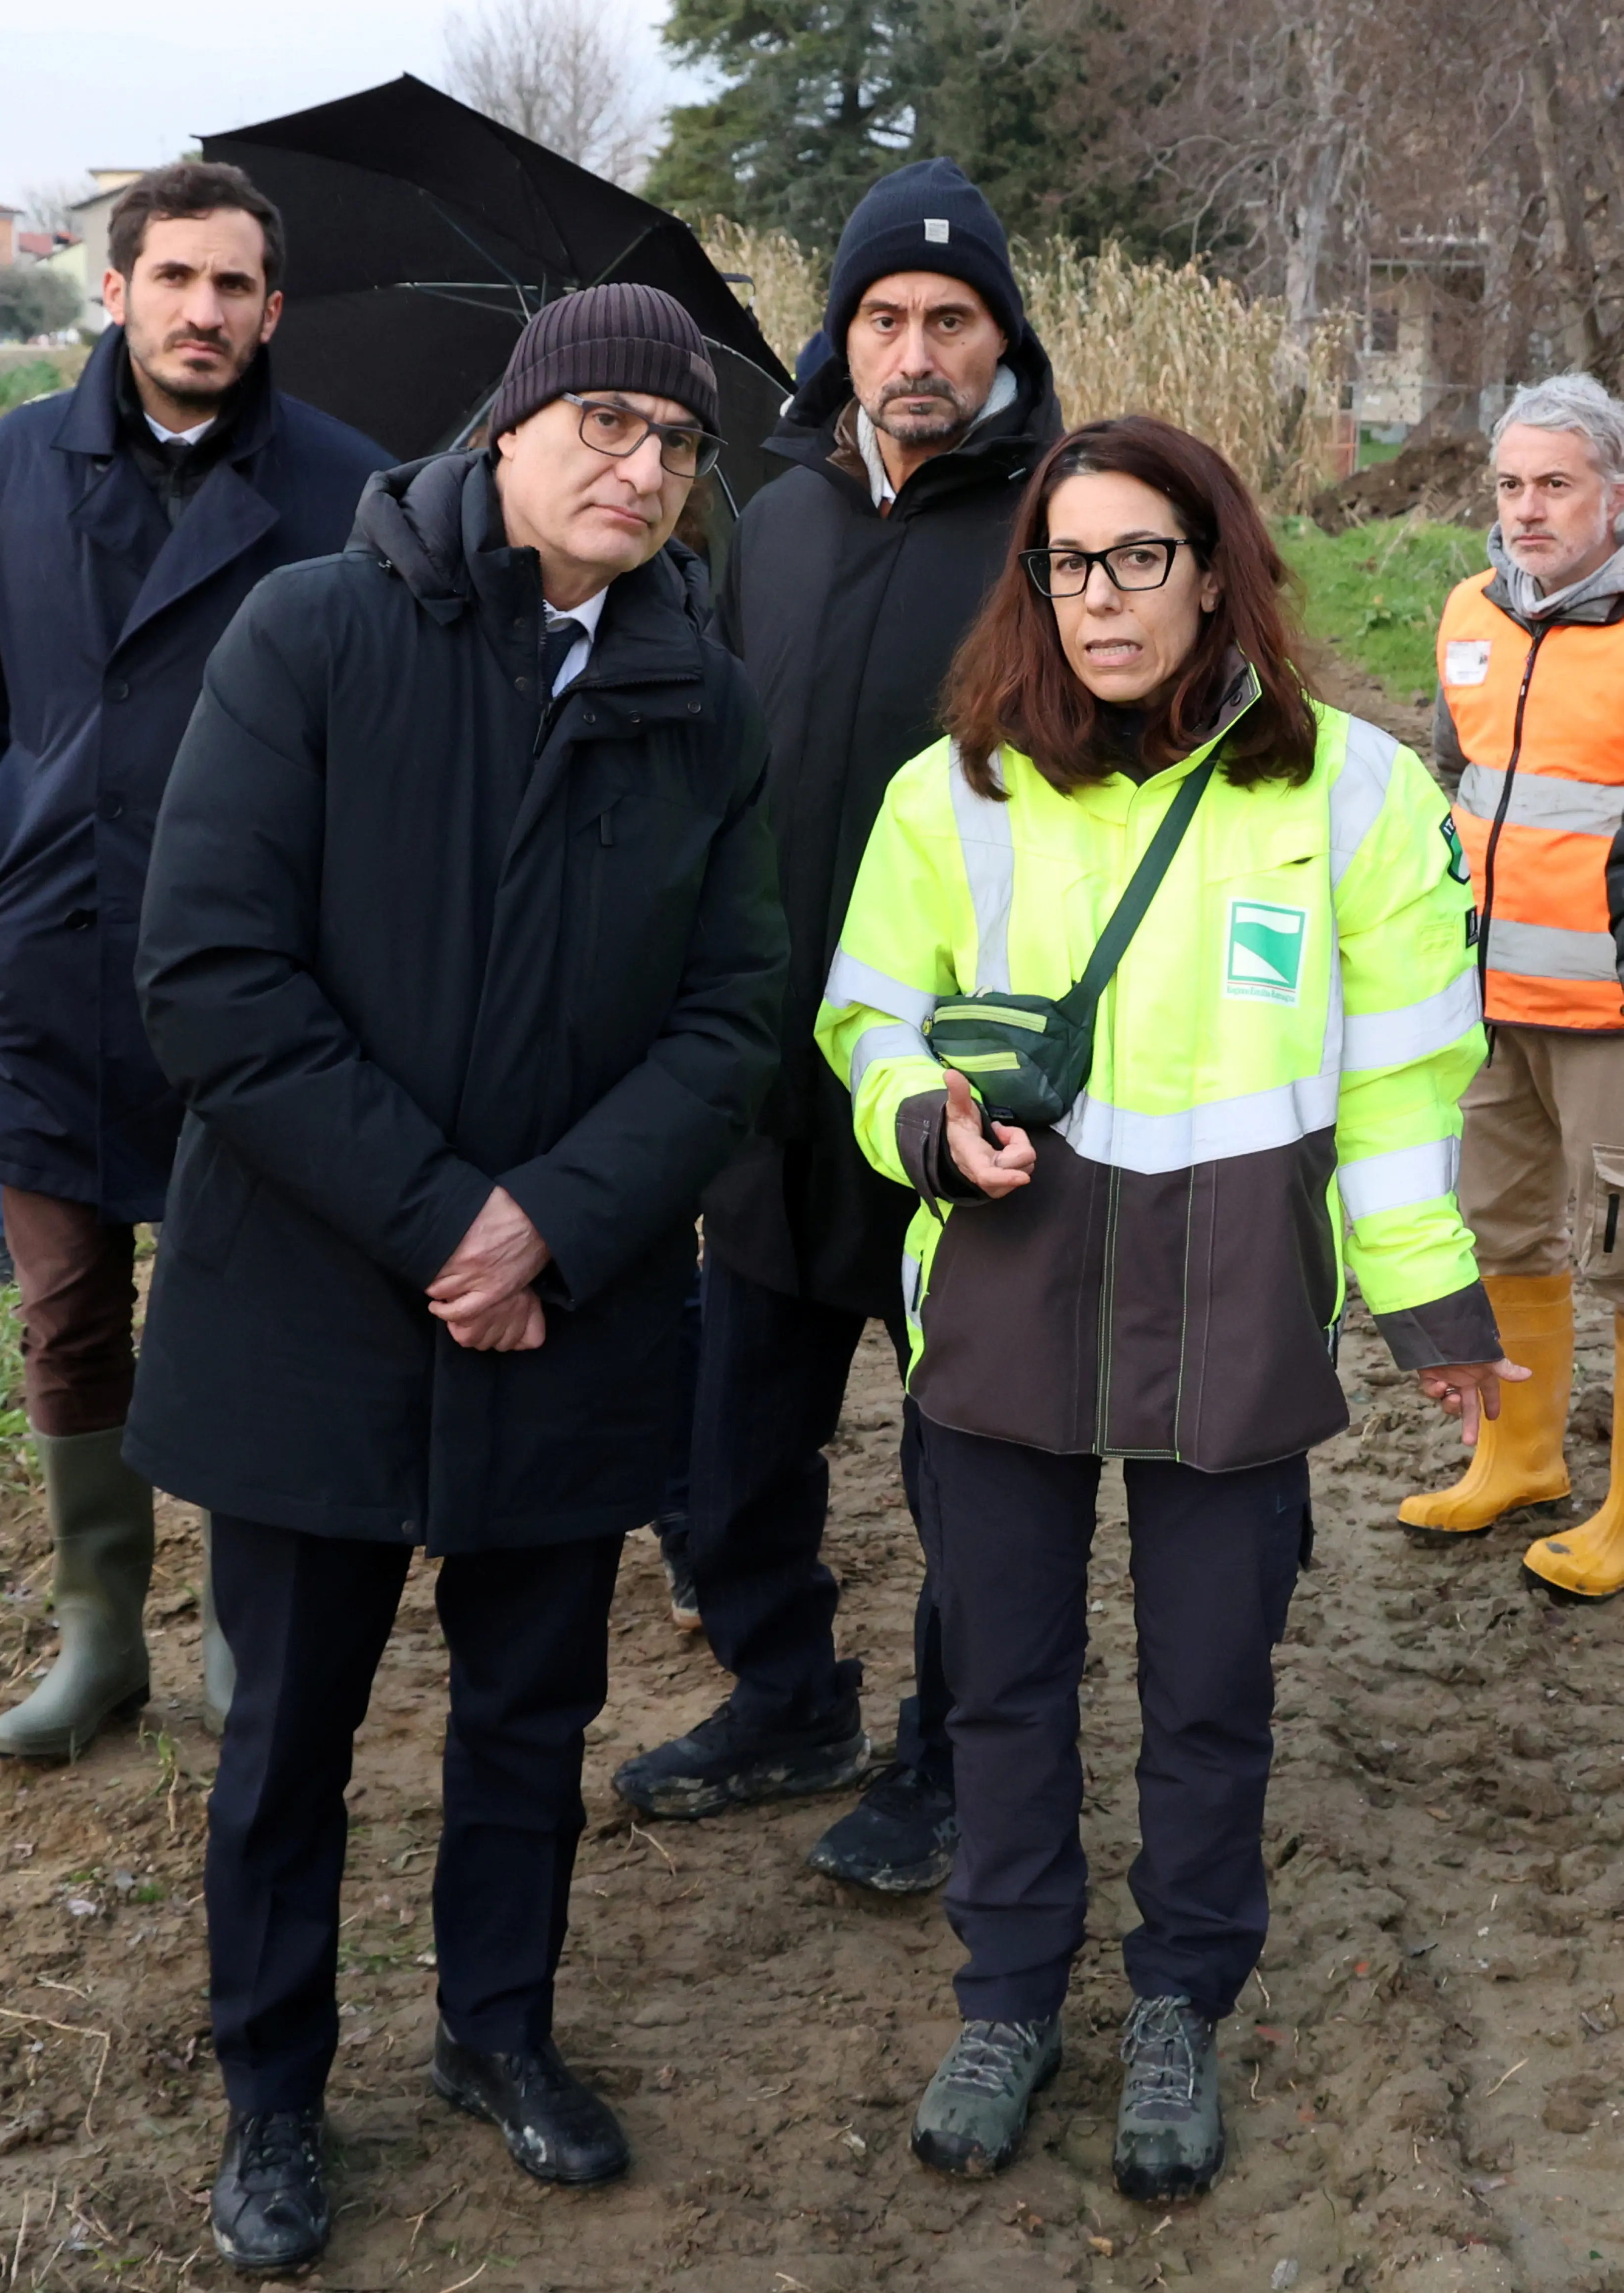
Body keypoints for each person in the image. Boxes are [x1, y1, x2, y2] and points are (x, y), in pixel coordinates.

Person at [124, 285, 786, 2270]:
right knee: (289, 1732)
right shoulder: (315, 636)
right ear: (506, 431)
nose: (641, 467)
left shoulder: (702, 702)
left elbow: (734, 1016)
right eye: (602, 422)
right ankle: (271, 2095)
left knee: (530, 1705)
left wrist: (558, 1225)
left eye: (676, 447)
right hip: (322, 1295)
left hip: (567, 1315)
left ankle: (497, 2032)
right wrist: (446, 1225)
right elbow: (213, 980)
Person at [816, 416, 1512, 2199]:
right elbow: (864, 1019)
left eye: (1140, 557)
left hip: (1237, 1305)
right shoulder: (949, 791)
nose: (1102, 597)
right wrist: (921, 1120)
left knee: (1210, 1688)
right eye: (1068, 563)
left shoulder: (1358, 794)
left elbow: (1407, 1086)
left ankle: (1179, 2005)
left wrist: (1432, 1314)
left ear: (1214, 569)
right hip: (1006, 1281)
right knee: (1005, 1678)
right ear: (1031, 586)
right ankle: (1007, 1998)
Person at [615, 159, 1063, 1895]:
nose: (916, 348)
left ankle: (949, 1759)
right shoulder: (778, 512)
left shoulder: (1055, 530)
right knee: (729, 1466)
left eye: (952, 318)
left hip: (958, 1094)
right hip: (768, 1076)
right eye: (884, 316)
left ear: (1002, 336)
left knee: (971, 1469)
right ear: (842, 336)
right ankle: (786, 1693)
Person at [0, 162, 390, 1758]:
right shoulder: (13, 464)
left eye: (234, 285)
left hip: (248, 991)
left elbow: (391, 729)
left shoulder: (340, 488)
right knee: (65, 1314)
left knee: (242, 1318)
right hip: (37, 967)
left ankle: (245, 1638)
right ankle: (99, 1632)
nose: (204, 310)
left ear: (271, 309)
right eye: (174, 278)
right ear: (113, 290)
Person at [1399, 374, 1624, 1598]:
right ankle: (1521, 1459)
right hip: (1489, 1009)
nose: (1527, 510)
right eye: (1510, 485)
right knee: (1499, 1231)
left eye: (1555, 484)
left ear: (1612, 494)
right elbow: (1457, 781)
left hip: (1612, 1018)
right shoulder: (1466, 612)